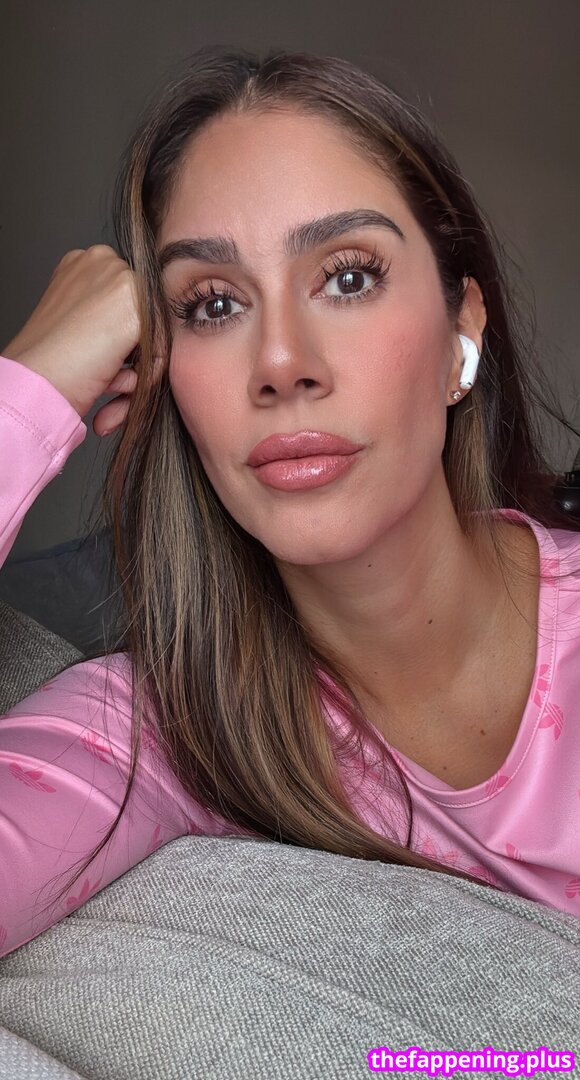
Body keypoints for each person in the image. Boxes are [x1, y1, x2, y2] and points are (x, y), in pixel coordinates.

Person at [1, 46, 580, 961]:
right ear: (161, 371)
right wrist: (28, 391)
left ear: (460, 330)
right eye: (213, 305)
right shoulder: (169, 734)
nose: (280, 364)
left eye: (348, 277)